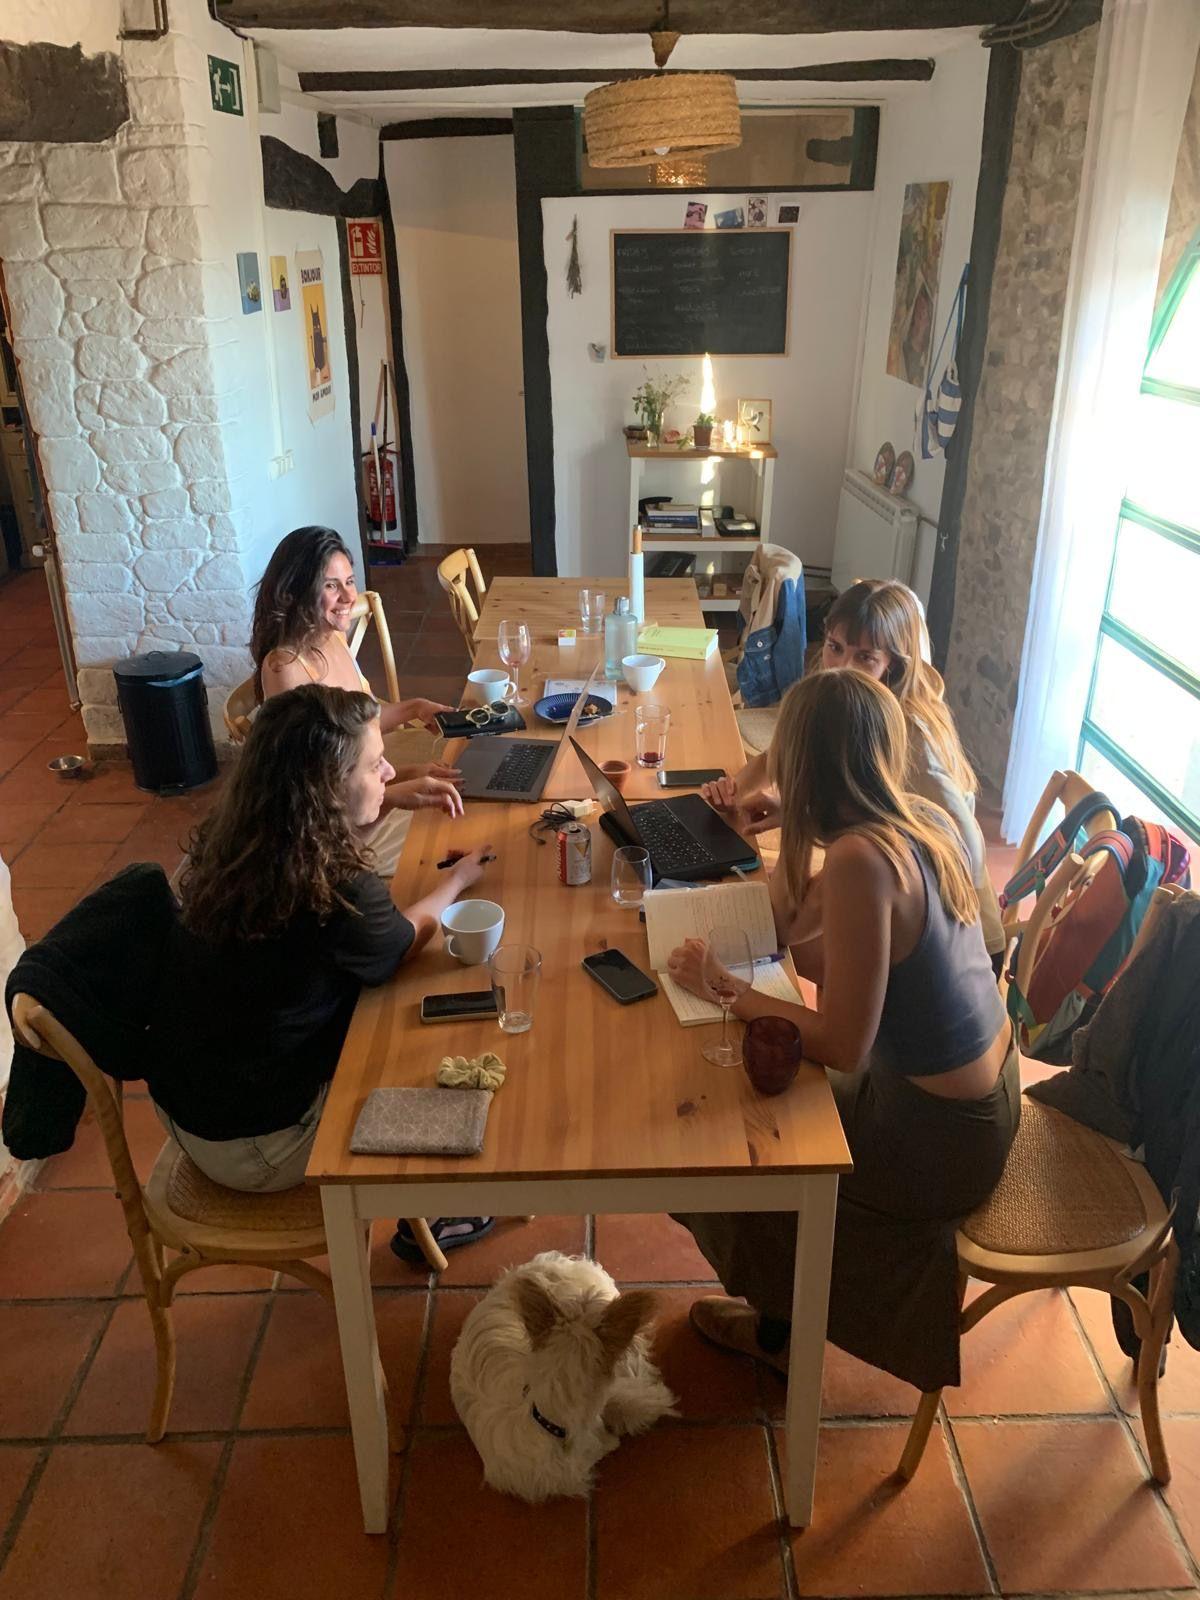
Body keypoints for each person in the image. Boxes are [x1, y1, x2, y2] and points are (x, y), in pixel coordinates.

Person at [668, 671, 1019, 1394]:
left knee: (732, 1154)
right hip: (987, 1093)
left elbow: (842, 1044)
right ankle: (780, 1317)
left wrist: (724, 989)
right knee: (764, 1100)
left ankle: (778, 1333)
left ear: (803, 765)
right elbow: (807, 945)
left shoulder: (862, 860)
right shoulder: (915, 816)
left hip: (940, 1137)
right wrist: (786, 836)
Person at [146, 686, 495, 1258]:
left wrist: (383, 801)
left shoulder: (243, 836)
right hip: (258, 1145)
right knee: (425, 1030)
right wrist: (456, 883)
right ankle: (436, 1205)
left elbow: (339, 910)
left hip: (191, 1107)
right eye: (372, 764)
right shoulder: (332, 882)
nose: (388, 770)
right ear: (321, 789)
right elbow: (400, 945)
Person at [706, 578, 1005, 968]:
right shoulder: (842, 699)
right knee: (774, 932)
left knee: (777, 936)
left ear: (893, 667)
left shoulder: (914, 739)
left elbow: (966, 848)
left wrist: (811, 820)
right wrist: (732, 797)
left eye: (864, 657)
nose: (841, 667)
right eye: (835, 648)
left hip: (956, 933)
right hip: (904, 900)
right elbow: (775, 756)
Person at [250, 525, 464, 875]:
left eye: (349, 581)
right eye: (331, 585)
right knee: (453, 842)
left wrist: (415, 707)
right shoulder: (286, 668)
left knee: (462, 807)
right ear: (297, 591)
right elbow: (321, 793)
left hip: (369, 789)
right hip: (340, 834)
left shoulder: (331, 638)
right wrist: (402, 787)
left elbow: (359, 725)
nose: (349, 597)